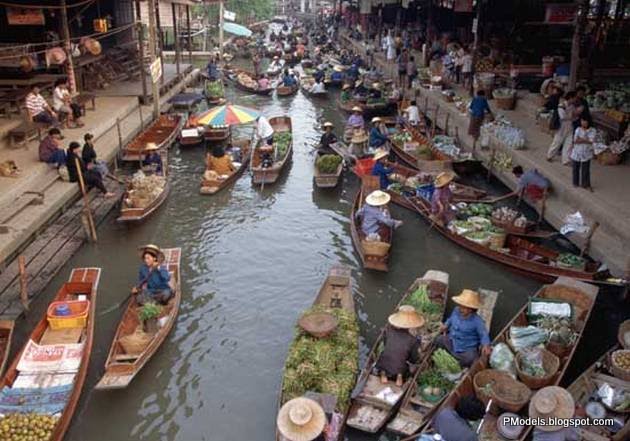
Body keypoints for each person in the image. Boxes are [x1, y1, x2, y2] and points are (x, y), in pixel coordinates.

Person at [435, 289, 491, 368]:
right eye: (460, 306)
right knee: (439, 339)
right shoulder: (456, 310)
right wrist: (445, 325)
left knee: (471, 358)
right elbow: (450, 319)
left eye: (464, 308)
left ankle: (458, 362)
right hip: (452, 341)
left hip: (465, 348)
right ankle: (448, 356)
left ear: (471, 309)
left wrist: (486, 345)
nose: (461, 309)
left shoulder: (477, 321)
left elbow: (483, 334)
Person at [375, 305, 424, 386]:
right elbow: (413, 359)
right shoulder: (413, 340)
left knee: (386, 355)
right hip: (399, 367)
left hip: (383, 363)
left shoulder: (388, 331)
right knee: (403, 362)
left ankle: (383, 374)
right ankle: (399, 376)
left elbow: (385, 344)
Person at [547, 91, 582, 164]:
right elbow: (562, 117)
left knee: (568, 144)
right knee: (557, 142)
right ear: (570, 98)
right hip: (561, 127)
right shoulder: (561, 105)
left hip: (569, 127)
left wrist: (575, 115)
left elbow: (573, 115)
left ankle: (565, 160)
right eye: (574, 98)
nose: (575, 100)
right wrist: (571, 117)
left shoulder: (572, 106)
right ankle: (549, 155)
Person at [569, 117, 595, 191]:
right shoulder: (578, 129)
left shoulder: (592, 130)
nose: (583, 123)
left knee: (585, 169)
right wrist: (585, 139)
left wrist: (581, 139)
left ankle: (585, 184)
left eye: (585, 121)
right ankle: (575, 183)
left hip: (586, 152)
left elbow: (591, 141)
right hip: (577, 151)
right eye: (582, 121)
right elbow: (575, 140)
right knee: (575, 168)